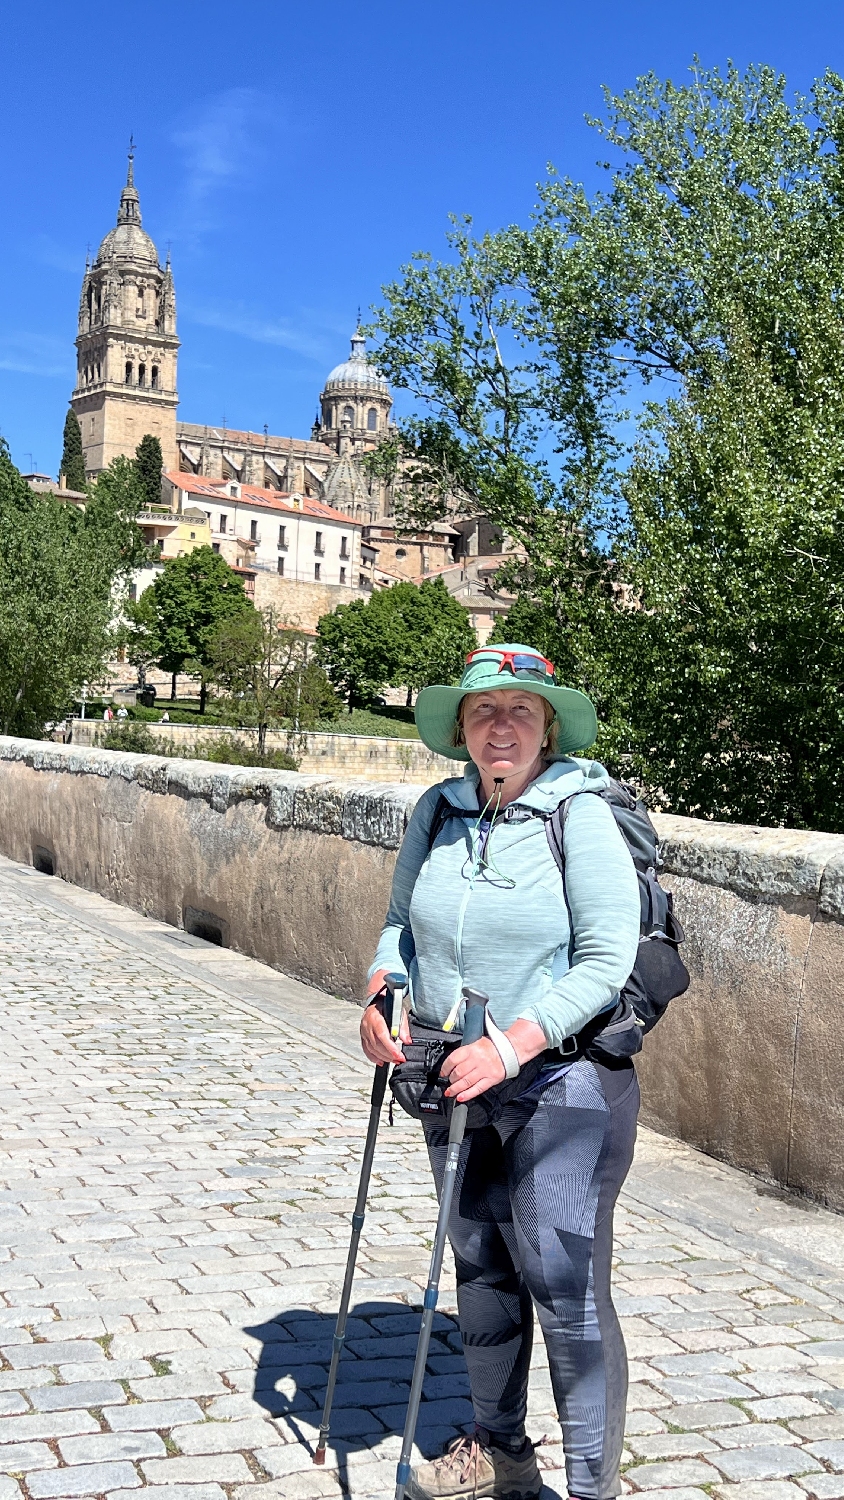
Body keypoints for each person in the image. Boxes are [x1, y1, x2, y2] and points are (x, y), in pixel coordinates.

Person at [361, 644, 641, 1500]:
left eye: (522, 709)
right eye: (485, 710)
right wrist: (383, 989)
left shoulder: (579, 814)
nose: (502, 725)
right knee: (479, 1267)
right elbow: (398, 925)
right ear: (462, 727)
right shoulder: (438, 813)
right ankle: (501, 1455)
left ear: (549, 725)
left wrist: (511, 1045)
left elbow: (604, 961)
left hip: (562, 1082)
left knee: (565, 1289)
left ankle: (591, 1489)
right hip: (450, 1074)